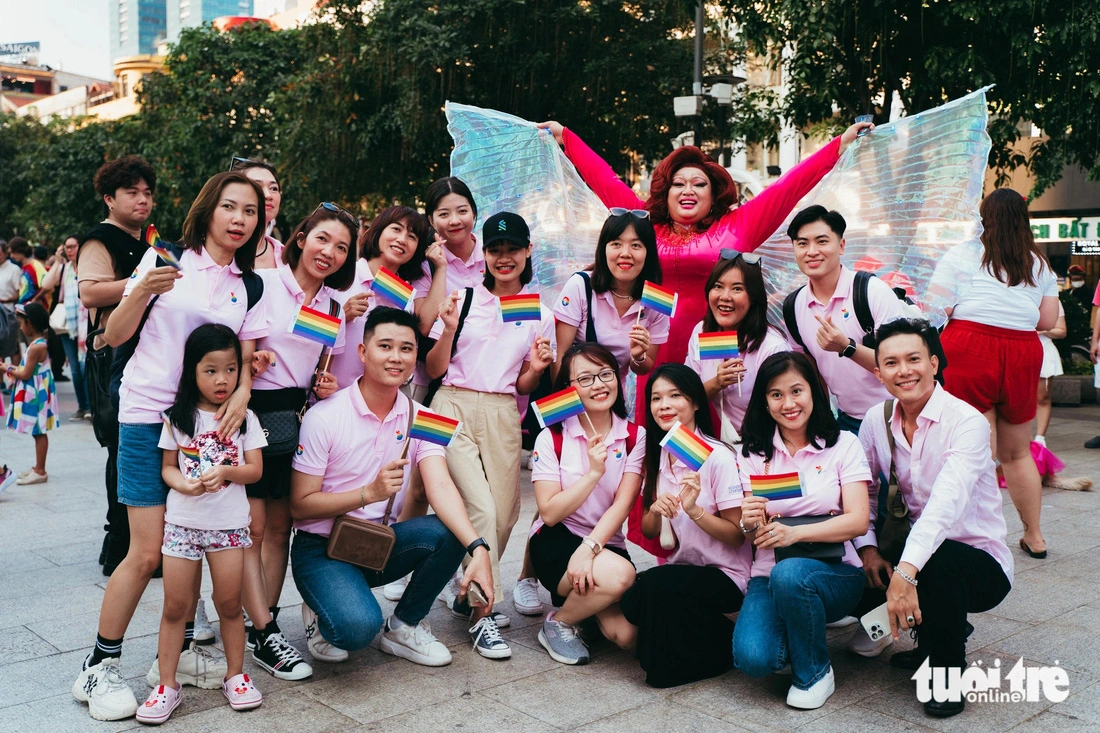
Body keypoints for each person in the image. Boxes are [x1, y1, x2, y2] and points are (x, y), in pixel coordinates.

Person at [72, 171, 268, 722]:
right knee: (146, 550)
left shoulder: (246, 284)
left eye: (249, 212)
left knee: (196, 536)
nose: (238, 219)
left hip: (207, 427)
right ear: (207, 211)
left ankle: (178, 660)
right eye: (229, 207)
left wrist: (243, 391)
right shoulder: (164, 259)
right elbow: (111, 335)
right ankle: (98, 664)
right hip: (145, 416)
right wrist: (141, 288)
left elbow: (244, 355)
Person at [539, 118, 873, 422]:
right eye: (678, 184)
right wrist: (566, 138)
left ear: (713, 194)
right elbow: (605, 181)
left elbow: (786, 188)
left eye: (698, 184)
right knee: (660, 423)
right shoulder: (643, 225)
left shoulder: (740, 225)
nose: (687, 191)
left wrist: (836, 147)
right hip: (656, 342)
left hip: (714, 339)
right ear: (665, 192)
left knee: (711, 422)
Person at [289, 307, 495, 667]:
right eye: (385, 346)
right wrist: (370, 492)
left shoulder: (422, 417)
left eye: (406, 348)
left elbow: (441, 486)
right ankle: (320, 609)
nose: (396, 357)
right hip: (321, 548)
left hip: (375, 545)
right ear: (363, 352)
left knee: (447, 531)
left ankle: (404, 626)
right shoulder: (325, 416)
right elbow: (300, 506)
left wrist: (478, 549)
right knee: (355, 630)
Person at [851, 318, 1012, 718]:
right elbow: (865, 491)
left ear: (935, 363)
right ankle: (935, 635)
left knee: (936, 561)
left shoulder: (967, 422)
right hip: (911, 548)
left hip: (978, 562)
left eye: (914, 359)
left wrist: (906, 574)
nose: (904, 371)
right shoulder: (876, 419)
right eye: (891, 363)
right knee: (859, 572)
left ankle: (946, 671)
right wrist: (869, 551)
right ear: (878, 372)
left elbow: (945, 506)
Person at [426, 211, 555, 659]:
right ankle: (484, 616)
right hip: (451, 404)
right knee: (479, 507)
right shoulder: (460, 298)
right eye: (495, 250)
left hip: (502, 411)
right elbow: (433, 369)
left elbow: (523, 384)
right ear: (484, 255)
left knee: (503, 516)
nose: (504, 258)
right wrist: (443, 329)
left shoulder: (540, 309)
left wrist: (536, 370)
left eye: (512, 250)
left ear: (527, 252)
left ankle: (466, 588)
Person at [244, 203, 356, 677]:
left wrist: (323, 386)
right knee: (249, 528)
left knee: (280, 528)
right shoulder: (261, 284)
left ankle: (262, 630)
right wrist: (249, 362)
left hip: (297, 420)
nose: (328, 252)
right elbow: (231, 346)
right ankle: (249, 623)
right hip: (251, 415)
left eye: (342, 247)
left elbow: (323, 369)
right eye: (322, 239)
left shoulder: (333, 306)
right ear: (302, 236)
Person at [588, 363, 748, 687]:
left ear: (696, 403)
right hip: (683, 571)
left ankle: (717, 650)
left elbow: (736, 536)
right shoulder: (661, 456)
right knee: (636, 598)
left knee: (652, 592)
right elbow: (650, 531)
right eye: (656, 398)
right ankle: (700, 640)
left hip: (726, 576)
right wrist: (658, 511)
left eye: (675, 395)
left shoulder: (718, 458)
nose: (664, 405)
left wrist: (695, 511)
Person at [141, 325, 266, 724]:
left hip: (229, 526)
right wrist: (185, 484)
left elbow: (256, 471)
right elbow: (167, 469)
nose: (222, 379)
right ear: (191, 371)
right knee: (176, 606)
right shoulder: (178, 417)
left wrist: (228, 471)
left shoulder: (245, 417)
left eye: (230, 369)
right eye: (210, 370)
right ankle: (167, 685)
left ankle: (235, 675)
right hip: (182, 523)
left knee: (230, 604)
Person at [732, 351, 871, 710]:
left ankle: (814, 672)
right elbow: (753, 535)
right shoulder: (753, 454)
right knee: (754, 659)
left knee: (791, 573)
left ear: (814, 392)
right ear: (764, 401)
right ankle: (801, 627)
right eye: (776, 394)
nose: (788, 403)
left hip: (836, 570)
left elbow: (857, 520)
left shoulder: (843, 444)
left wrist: (795, 534)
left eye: (797, 391)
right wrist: (749, 521)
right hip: (767, 573)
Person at [940, 188, 1059, 558]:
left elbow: (938, 307)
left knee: (975, 449)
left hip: (968, 347)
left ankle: (972, 536)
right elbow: (1048, 320)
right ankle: (1034, 536)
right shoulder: (1038, 264)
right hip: (1022, 351)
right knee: (1018, 452)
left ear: (983, 219)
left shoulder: (961, 254)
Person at [528, 343, 644, 666]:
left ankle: (584, 610)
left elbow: (622, 504)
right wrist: (593, 473)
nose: (599, 384)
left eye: (605, 374)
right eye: (586, 378)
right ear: (569, 388)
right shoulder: (552, 437)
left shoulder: (634, 436)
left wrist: (589, 548)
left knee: (625, 635)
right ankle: (559, 622)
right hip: (556, 540)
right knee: (622, 577)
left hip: (603, 542)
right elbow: (549, 512)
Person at [78, 155, 155, 576]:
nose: (142, 200)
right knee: (121, 448)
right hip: (113, 357)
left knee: (136, 447)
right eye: (132, 193)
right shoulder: (100, 240)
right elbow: (90, 294)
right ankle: (120, 548)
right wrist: (146, 280)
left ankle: (138, 544)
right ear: (110, 199)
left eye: (147, 193)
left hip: (142, 355)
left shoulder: (144, 241)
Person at [782, 206, 911, 433]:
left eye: (822, 241)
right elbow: (809, 369)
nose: (812, 251)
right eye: (802, 243)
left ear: (841, 246)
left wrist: (846, 347)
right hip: (846, 421)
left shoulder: (871, 292)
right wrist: (822, 420)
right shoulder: (794, 306)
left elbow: (901, 364)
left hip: (899, 416)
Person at [551, 209, 668, 380]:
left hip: (613, 399)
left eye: (636, 245)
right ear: (603, 249)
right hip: (575, 397)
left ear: (648, 252)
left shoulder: (656, 301)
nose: (625, 253)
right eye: (616, 244)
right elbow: (559, 356)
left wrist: (638, 356)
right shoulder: (580, 286)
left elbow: (644, 368)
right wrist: (569, 407)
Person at [684, 251, 792, 436]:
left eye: (737, 289)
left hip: (767, 443)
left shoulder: (771, 347)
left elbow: (787, 409)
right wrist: (717, 383)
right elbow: (687, 398)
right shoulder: (703, 332)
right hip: (723, 443)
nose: (725, 296)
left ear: (753, 297)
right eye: (718, 286)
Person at [329, 206, 432, 391]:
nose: (402, 240)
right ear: (378, 231)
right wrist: (342, 316)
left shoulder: (405, 297)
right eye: (396, 229)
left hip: (380, 401)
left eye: (412, 236)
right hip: (333, 396)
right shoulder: (341, 277)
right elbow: (307, 340)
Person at [5, 303, 59, 484]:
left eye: (21, 323)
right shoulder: (37, 344)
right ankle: (38, 467)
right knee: (37, 431)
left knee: (39, 431)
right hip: (36, 391)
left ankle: (41, 471)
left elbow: (25, 373)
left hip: (36, 394)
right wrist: (12, 368)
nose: (20, 327)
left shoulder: (37, 347)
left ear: (30, 323)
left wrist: (7, 368)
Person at [39, 235, 89, 419]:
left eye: (73, 246)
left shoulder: (88, 266)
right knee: (75, 369)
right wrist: (57, 261)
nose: (70, 250)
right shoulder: (64, 268)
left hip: (86, 325)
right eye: (67, 247)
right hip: (68, 325)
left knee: (86, 367)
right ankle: (82, 407)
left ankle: (92, 407)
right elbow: (46, 284)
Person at [230, 158, 283, 270]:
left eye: (274, 188)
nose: (268, 195)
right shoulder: (206, 251)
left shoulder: (287, 258)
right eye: (257, 186)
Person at [1035, 301, 1066, 445]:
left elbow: (1061, 331)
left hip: (1044, 350)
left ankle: (1040, 439)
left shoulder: (1052, 301)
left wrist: (1043, 330)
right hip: (1016, 348)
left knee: (1043, 397)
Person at [8, 237, 45, 306]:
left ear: (20, 250)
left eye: (13, 252)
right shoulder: (23, 267)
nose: (11, 256)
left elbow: (46, 286)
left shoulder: (35, 266)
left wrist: (36, 299)